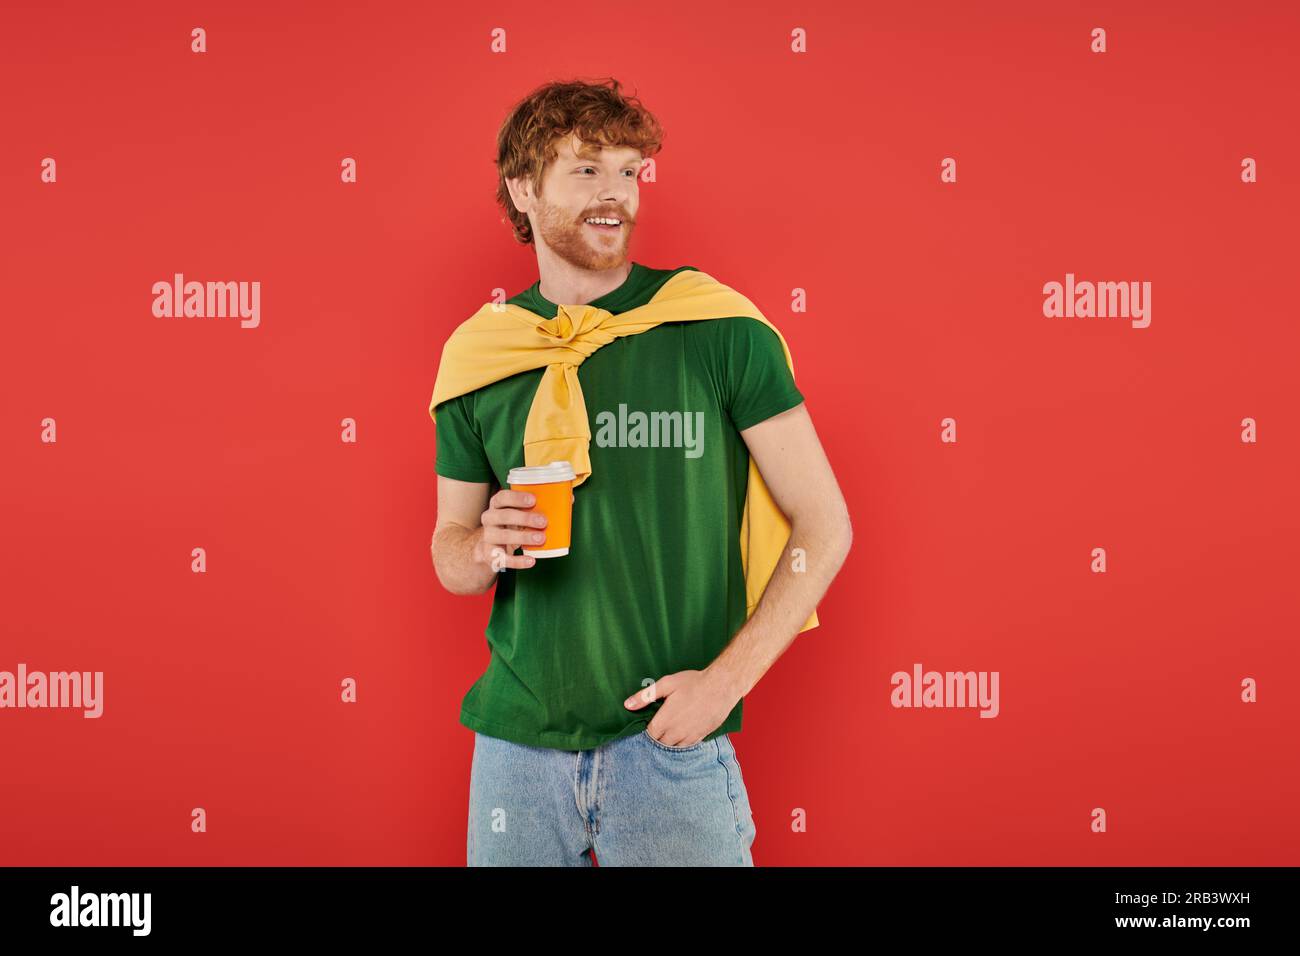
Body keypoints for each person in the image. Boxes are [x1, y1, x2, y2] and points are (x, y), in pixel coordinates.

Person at [429, 77, 852, 866]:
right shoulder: (479, 354)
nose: (615, 194)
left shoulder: (717, 328)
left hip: (667, 747)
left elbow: (825, 523)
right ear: (523, 189)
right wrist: (481, 546)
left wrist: (724, 686)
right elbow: (450, 553)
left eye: (628, 170)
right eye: (586, 170)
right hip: (515, 755)